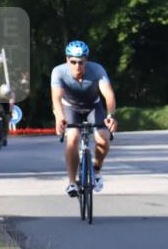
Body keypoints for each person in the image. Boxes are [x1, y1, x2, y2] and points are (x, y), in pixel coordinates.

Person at [50, 40, 118, 197]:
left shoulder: (97, 70)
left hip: (93, 106)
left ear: (86, 60)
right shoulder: (58, 72)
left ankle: (97, 170)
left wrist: (110, 116)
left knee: (103, 137)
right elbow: (56, 97)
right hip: (69, 108)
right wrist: (59, 117)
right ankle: (72, 182)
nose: (77, 66)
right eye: (73, 62)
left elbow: (108, 94)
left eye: (81, 62)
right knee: (72, 138)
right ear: (67, 59)